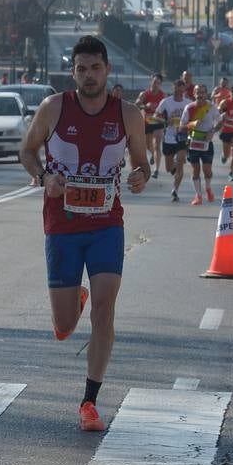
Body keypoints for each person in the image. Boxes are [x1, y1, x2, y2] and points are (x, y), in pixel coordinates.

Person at [19, 36, 150, 433]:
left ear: (107, 70)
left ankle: (90, 400)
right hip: (62, 225)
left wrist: (140, 177)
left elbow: (142, 164)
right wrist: (43, 177)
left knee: (105, 310)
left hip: (106, 223)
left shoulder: (128, 115)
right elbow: (27, 151)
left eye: (95, 68)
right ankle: (73, 300)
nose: (88, 75)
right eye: (81, 69)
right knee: (63, 326)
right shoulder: (54, 107)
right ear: (72, 71)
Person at [180, 84, 221, 205]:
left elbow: (220, 122)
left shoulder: (211, 107)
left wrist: (213, 131)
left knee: (207, 170)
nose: (200, 95)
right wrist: (191, 124)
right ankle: (198, 195)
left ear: (206, 94)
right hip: (193, 142)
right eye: (198, 92)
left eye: (202, 92)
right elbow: (181, 127)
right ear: (194, 93)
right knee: (195, 169)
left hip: (207, 142)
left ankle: (208, 188)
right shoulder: (189, 108)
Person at [156, 80, 194, 202]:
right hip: (169, 137)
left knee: (181, 161)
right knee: (168, 168)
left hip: (182, 136)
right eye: (177, 88)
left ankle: (175, 190)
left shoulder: (188, 103)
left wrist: (188, 125)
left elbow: (195, 118)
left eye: (181, 89)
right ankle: (175, 169)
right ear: (173, 88)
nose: (179, 91)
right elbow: (156, 116)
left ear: (184, 90)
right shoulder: (166, 102)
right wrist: (166, 122)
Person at [137, 74, 165, 177]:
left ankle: (156, 170)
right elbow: (136, 104)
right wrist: (145, 105)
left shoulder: (163, 95)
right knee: (148, 145)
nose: (155, 84)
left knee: (157, 144)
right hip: (147, 122)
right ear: (151, 82)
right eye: (154, 82)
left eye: (158, 83)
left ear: (160, 84)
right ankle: (153, 154)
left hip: (158, 122)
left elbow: (166, 109)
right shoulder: (144, 94)